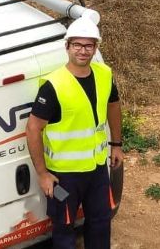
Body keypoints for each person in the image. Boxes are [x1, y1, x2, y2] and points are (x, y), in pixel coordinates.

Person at [26, 14, 123, 249]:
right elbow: (33, 128)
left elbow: (113, 105)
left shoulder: (104, 74)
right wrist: (42, 174)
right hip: (64, 177)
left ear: (95, 48)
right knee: (64, 231)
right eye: (77, 45)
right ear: (67, 46)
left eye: (88, 45)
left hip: (97, 169)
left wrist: (117, 145)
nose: (83, 50)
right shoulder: (53, 86)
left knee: (101, 223)